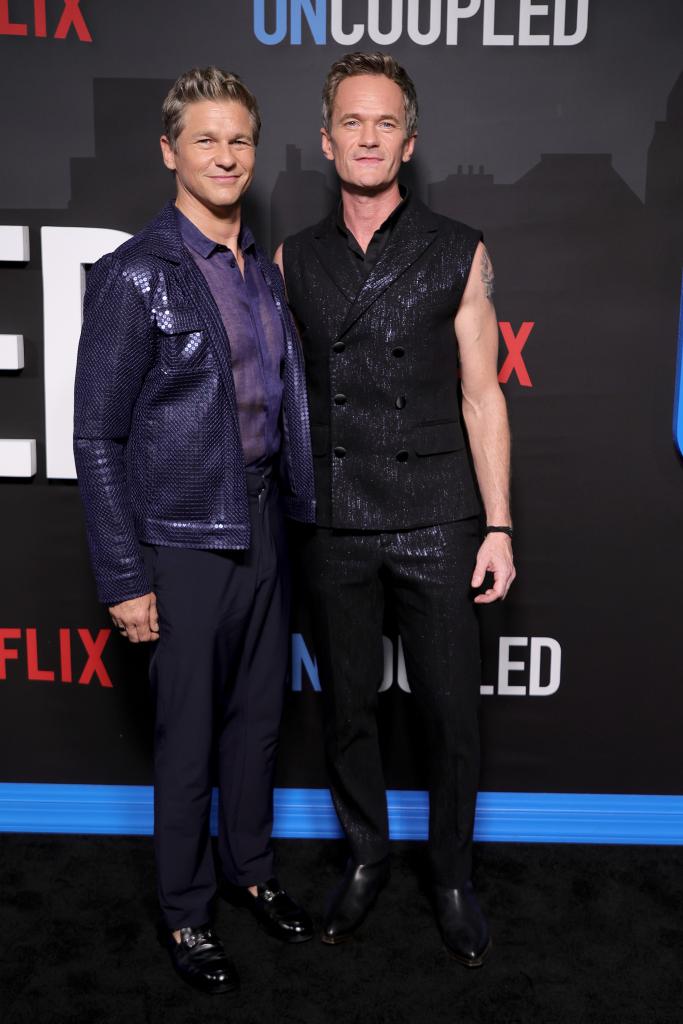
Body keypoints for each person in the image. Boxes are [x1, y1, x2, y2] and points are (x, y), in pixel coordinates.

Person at [74, 66, 316, 995]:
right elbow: (96, 433)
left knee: (257, 724)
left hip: (260, 522)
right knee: (185, 737)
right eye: (206, 139)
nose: (225, 156)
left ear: (255, 154)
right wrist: (123, 576)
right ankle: (184, 914)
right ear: (170, 151)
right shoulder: (137, 273)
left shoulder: (262, 269)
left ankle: (250, 872)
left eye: (240, 140)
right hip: (177, 540)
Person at [275, 52, 515, 967]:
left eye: (384, 124)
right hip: (333, 516)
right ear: (327, 137)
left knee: (449, 711)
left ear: (407, 143)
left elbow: (482, 396)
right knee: (345, 709)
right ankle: (367, 856)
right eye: (351, 121)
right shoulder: (296, 256)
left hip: (436, 516)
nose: (366, 137)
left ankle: (451, 875)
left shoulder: (459, 248)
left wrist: (496, 525)